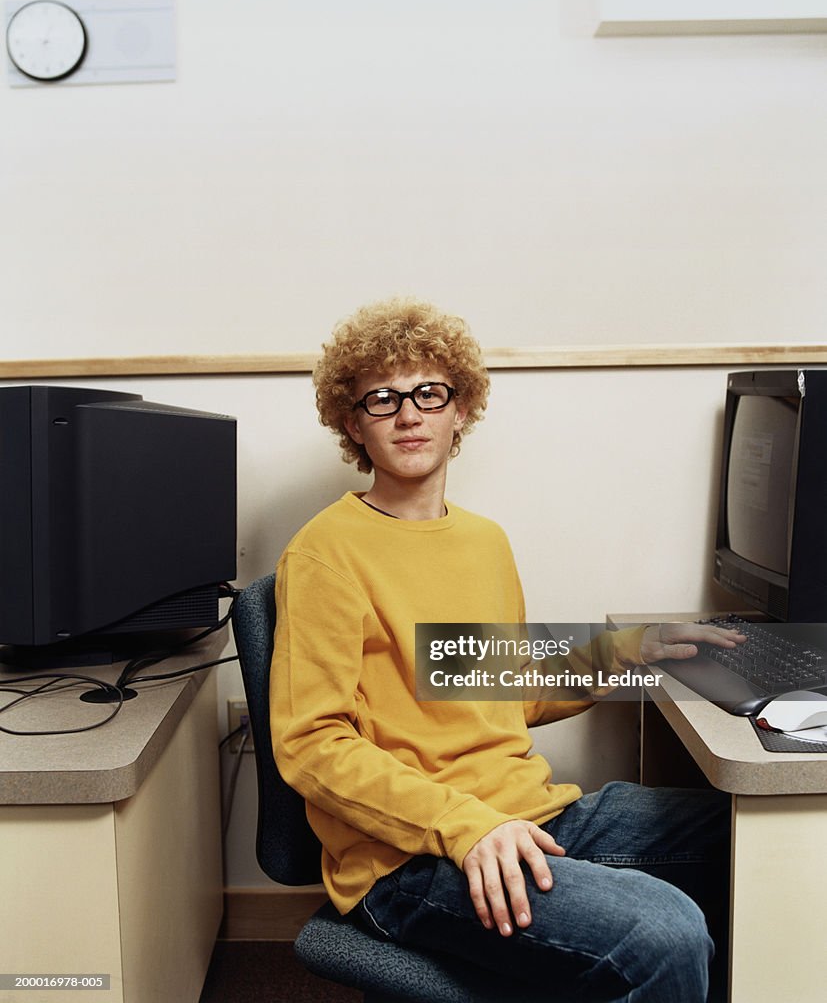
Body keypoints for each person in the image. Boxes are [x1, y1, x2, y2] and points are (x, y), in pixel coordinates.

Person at [270, 297, 743, 1002]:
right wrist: (464, 825)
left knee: (753, 837)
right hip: (413, 858)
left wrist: (628, 650)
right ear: (352, 422)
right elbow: (310, 745)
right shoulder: (325, 554)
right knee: (664, 931)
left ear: (459, 410)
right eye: (382, 399)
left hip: (529, 813)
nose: (408, 414)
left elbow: (499, 689)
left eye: (429, 393)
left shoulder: (481, 541)